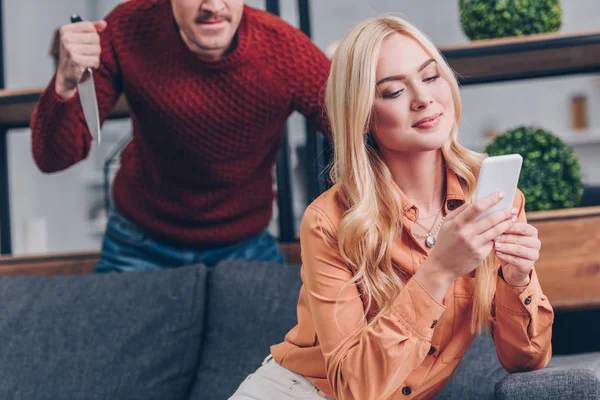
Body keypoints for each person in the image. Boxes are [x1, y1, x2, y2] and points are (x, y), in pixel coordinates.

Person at [229, 15, 553, 400]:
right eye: (393, 91)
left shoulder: (495, 199)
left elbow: (526, 363)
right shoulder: (329, 220)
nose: (423, 98)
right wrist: (439, 271)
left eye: (430, 76)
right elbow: (356, 389)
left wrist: (517, 280)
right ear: (363, 116)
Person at [30, 0, 331, 272]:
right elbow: (53, 157)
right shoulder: (127, 28)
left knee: (283, 332)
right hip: (138, 242)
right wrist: (65, 84)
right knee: (105, 334)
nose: (213, 5)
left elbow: (358, 128)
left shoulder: (285, 50)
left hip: (245, 245)